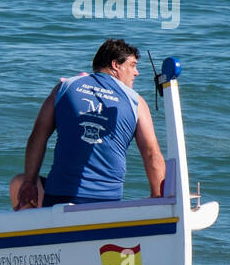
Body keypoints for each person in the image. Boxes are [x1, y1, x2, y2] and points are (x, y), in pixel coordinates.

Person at [11, 38, 166, 209]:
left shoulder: (64, 88)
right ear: (115, 65)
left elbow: (38, 136)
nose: (136, 72)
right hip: (107, 202)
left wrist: (29, 183)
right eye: (133, 65)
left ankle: (35, 231)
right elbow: (151, 153)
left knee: (20, 182)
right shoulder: (136, 102)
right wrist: (158, 196)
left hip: (58, 198)